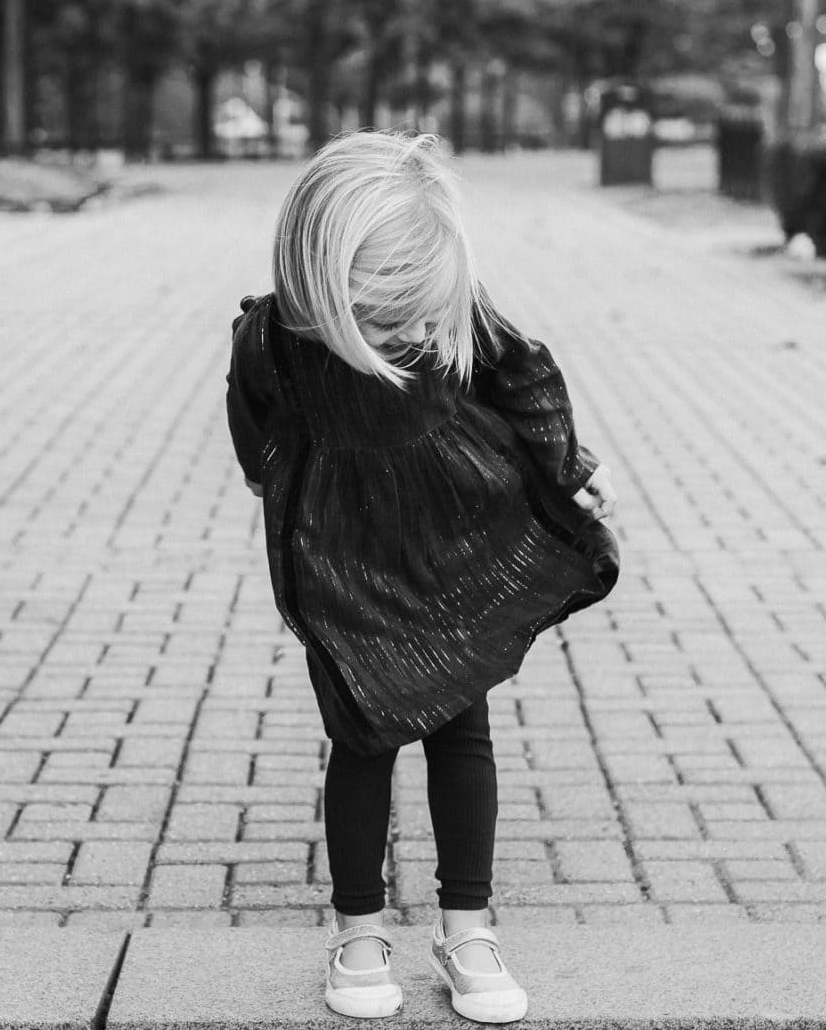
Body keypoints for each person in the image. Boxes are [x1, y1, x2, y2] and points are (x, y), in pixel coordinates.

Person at [226, 131, 620, 1023]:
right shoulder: (273, 338)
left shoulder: (459, 310)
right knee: (361, 735)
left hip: (451, 548)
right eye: (381, 319)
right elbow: (252, 421)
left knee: (462, 730)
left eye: (417, 316)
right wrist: (272, 479)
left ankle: (467, 924)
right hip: (343, 562)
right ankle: (359, 928)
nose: (407, 332)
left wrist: (569, 464)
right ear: (319, 279)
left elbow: (527, 387)